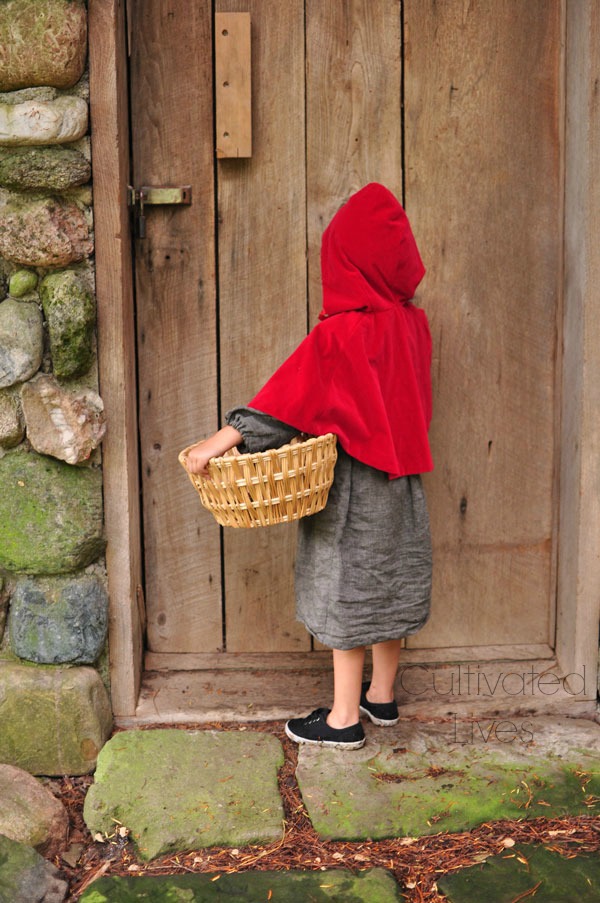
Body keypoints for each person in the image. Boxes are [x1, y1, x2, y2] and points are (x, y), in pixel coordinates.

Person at [185, 183, 433, 750]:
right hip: (404, 485)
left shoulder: (341, 332)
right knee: (390, 583)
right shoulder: (413, 326)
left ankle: (343, 718)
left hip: (353, 489)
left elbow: (282, 404)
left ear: (342, 262)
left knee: (345, 588)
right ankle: (382, 696)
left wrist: (216, 444)